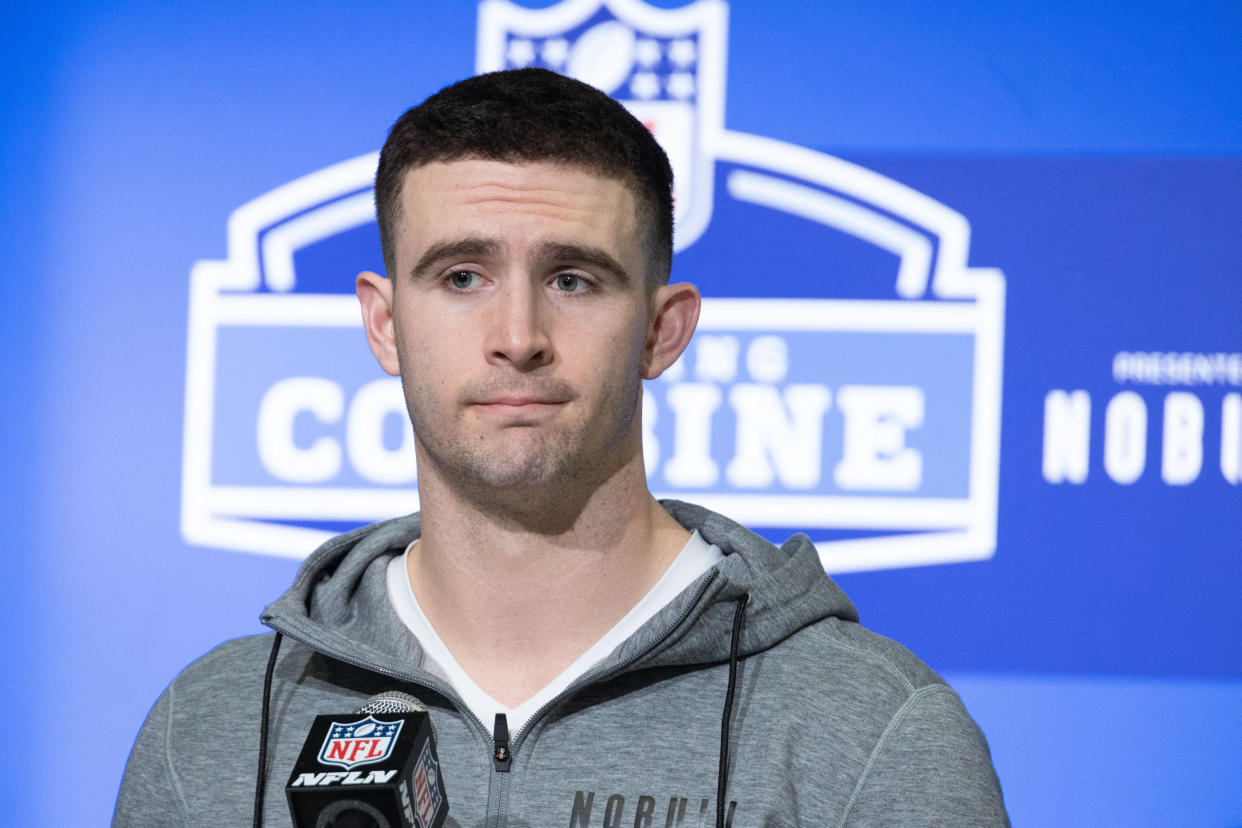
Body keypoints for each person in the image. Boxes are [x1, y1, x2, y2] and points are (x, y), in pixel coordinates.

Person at [115, 68, 1008, 827]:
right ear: (384, 325)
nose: (518, 335)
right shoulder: (217, 729)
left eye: (573, 279)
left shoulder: (869, 732)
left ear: (663, 331)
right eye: (461, 276)